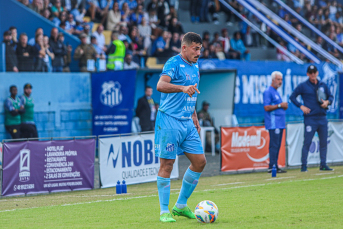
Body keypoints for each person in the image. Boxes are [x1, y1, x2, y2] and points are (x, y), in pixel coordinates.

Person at [155, 32, 206, 222]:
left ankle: (180, 206)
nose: (198, 52)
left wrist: (194, 115)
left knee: (200, 162)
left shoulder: (195, 67)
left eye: (200, 49)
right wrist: (182, 88)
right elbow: (160, 85)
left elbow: (192, 93)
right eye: (195, 48)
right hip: (169, 120)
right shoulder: (173, 63)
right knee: (167, 164)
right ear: (184, 47)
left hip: (187, 121)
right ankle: (164, 211)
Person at [290, 65, 334, 172]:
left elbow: (331, 96)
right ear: (307, 74)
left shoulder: (323, 85)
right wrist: (301, 106)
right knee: (307, 142)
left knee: (323, 142)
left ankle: (323, 164)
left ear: (317, 73)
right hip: (310, 118)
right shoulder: (303, 86)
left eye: (314, 72)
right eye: (311, 73)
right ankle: (304, 165)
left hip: (322, 117)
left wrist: (327, 102)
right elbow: (292, 97)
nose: (313, 74)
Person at [263, 71, 288, 173]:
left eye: (281, 79)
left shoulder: (276, 91)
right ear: (273, 80)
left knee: (277, 145)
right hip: (274, 124)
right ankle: (272, 166)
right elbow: (266, 107)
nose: (280, 81)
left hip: (279, 123)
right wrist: (280, 105)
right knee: (274, 145)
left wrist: (282, 107)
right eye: (278, 79)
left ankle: (275, 166)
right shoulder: (268, 91)